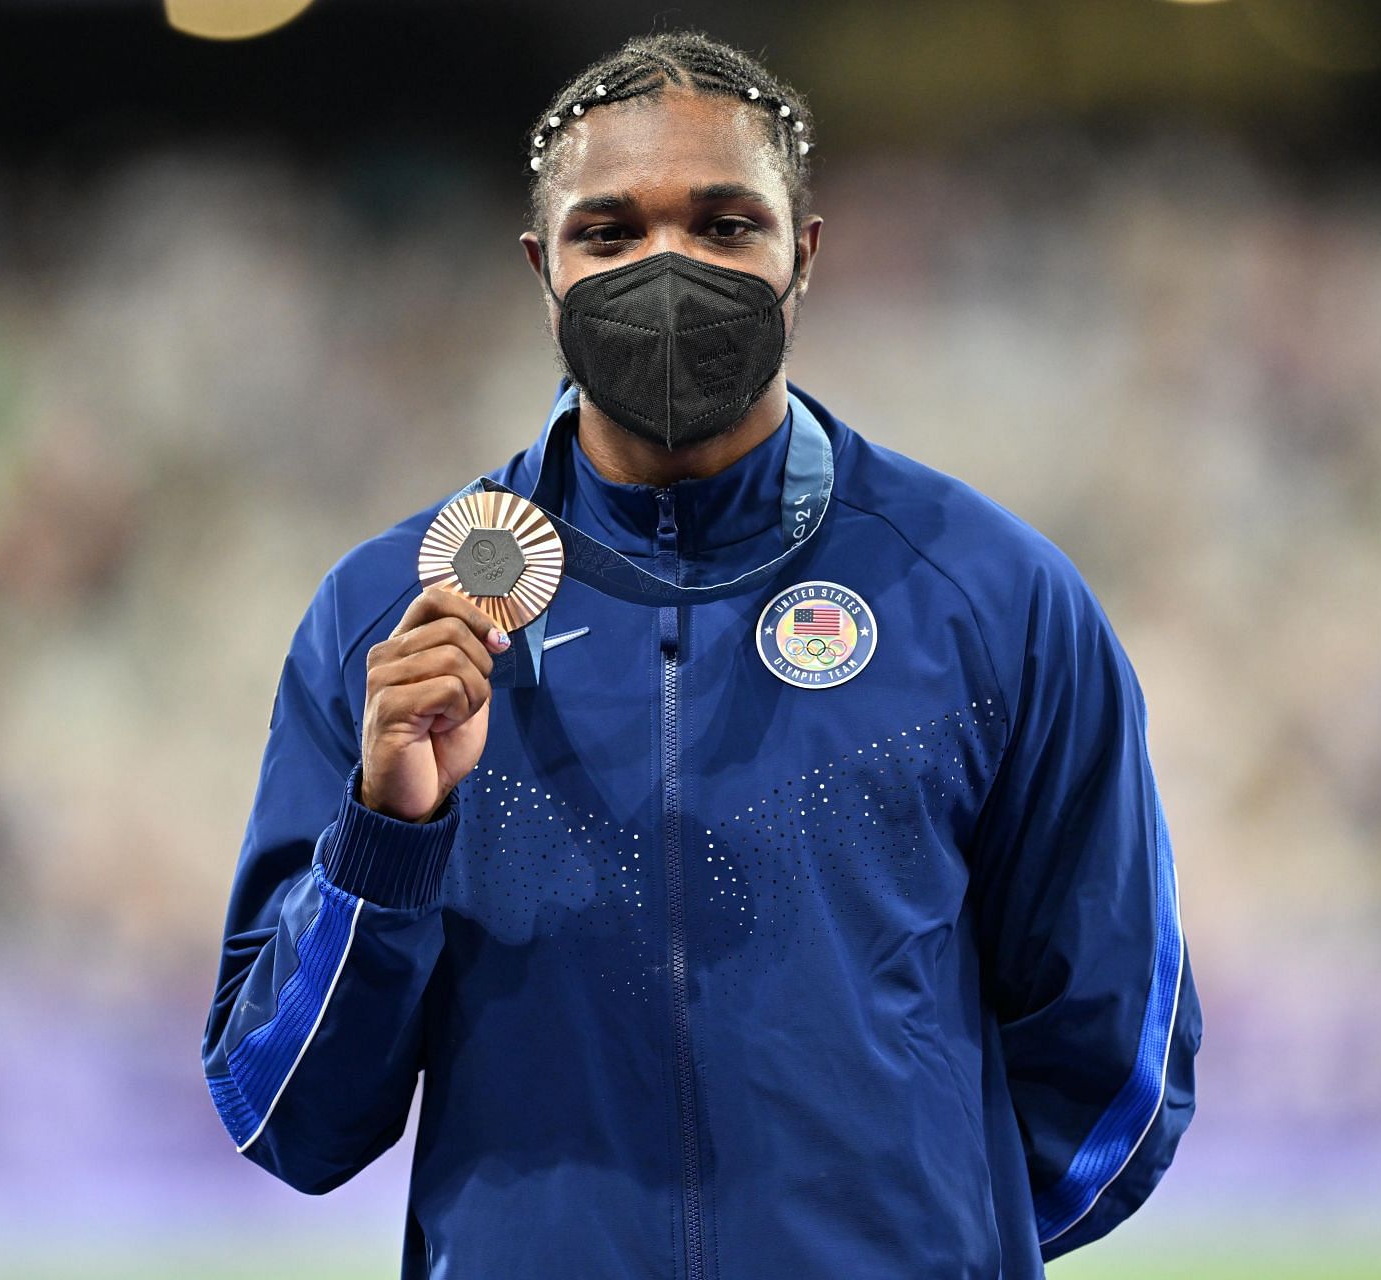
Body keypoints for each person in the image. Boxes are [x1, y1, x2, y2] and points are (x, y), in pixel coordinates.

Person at [200, 28, 1200, 1279]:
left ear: (805, 255)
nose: (667, 270)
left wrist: (921, 1243)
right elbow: (283, 1109)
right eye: (609, 234)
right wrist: (387, 832)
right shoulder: (387, 623)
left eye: (726, 225)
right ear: (540, 268)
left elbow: (1121, 1061)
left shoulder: (995, 600)